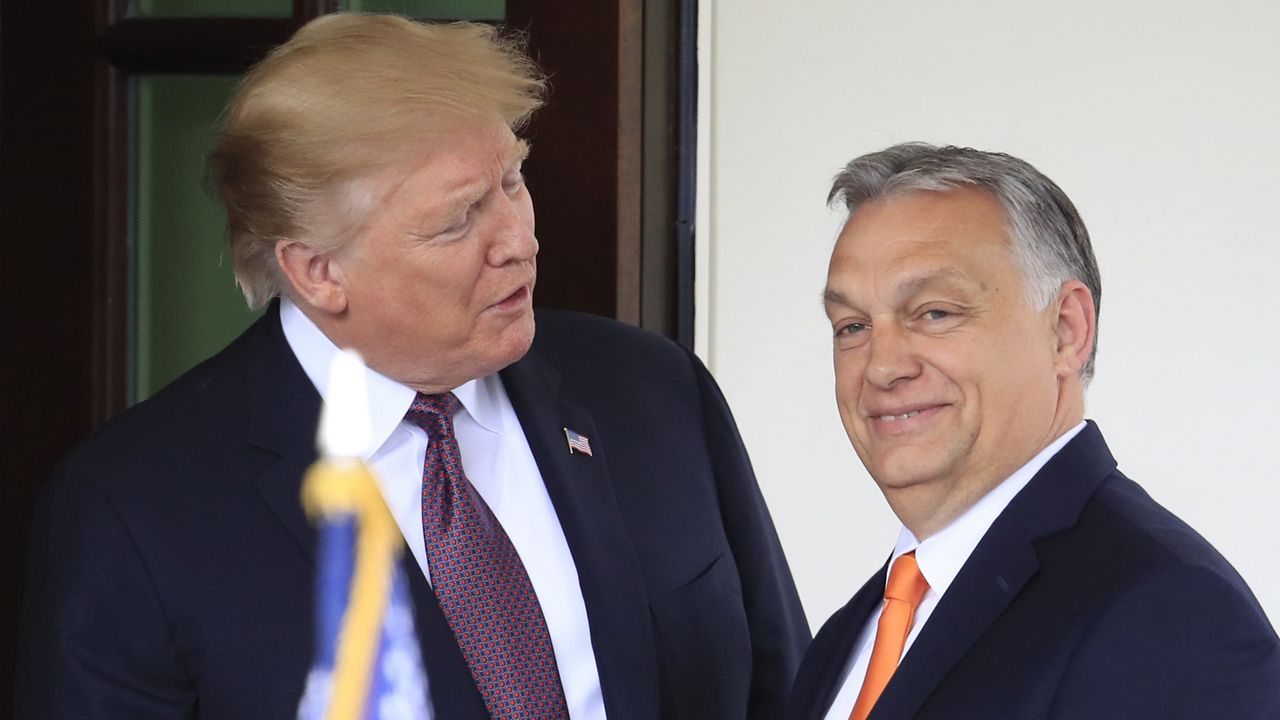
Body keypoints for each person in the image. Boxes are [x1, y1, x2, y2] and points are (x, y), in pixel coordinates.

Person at [15, 14, 809, 720]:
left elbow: (787, 691)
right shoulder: (131, 513)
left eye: (512, 181)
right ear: (318, 271)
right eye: (458, 219)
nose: (519, 239)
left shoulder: (651, 389)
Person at [787, 143, 1280, 720]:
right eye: (852, 326)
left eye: (935, 313)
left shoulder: (1167, 612)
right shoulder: (845, 638)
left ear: (1067, 332)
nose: (881, 365)